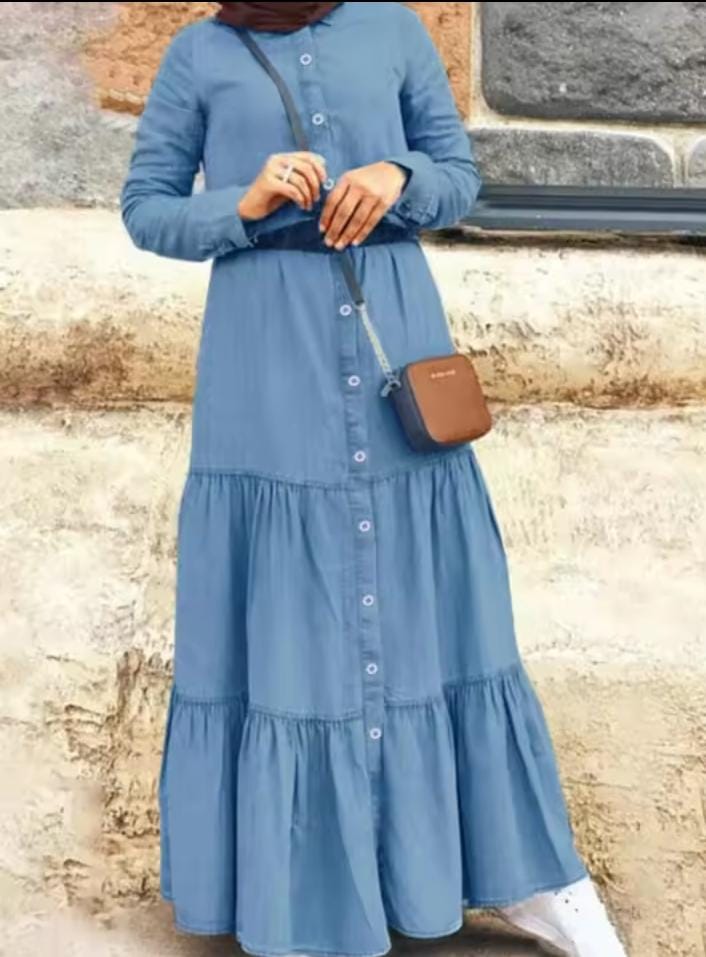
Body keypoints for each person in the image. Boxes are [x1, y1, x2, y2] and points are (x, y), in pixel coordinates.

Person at [120, 3, 628, 956]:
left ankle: (530, 875)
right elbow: (145, 208)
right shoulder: (200, 53)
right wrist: (241, 203)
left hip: (396, 337)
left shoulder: (392, 30)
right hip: (265, 365)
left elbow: (458, 176)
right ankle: (299, 892)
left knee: (446, 604)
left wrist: (399, 175)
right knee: (294, 617)